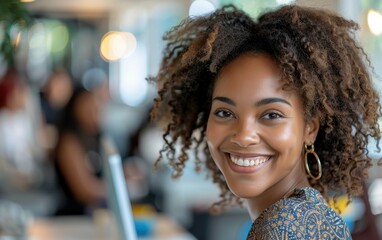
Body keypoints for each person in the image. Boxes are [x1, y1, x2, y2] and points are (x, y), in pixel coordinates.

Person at [149, 4, 381, 239]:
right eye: (225, 113)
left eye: (271, 115)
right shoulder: (302, 215)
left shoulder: (283, 228)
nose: (243, 135)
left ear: (310, 128)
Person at [53, 86, 107, 215]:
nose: (94, 112)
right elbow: (84, 191)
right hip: (74, 216)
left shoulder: (93, 139)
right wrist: (122, 189)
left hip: (93, 212)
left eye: (96, 108)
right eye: (89, 108)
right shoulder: (69, 142)